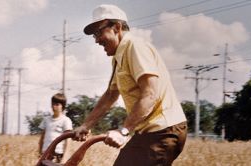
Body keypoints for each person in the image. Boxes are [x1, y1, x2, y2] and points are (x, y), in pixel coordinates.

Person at [73, 4, 188, 166]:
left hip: (163, 130)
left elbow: (150, 94)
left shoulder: (135, 47)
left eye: (99, 32)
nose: (97, 40)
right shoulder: (119, 56)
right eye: (94, 36)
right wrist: (86, 125)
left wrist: (124, 131)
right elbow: (110, 95)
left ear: (117, 27)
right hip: (148, 131)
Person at [38, 93, 73, 163]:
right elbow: (42, 138)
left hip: (58, 154)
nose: (54, 106)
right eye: (53, 104)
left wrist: (65, 157)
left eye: (57, 104)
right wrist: (40, 152)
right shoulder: (46, 120)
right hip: (45, 153)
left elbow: (68, 141)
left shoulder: (66, 120)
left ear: (62, 106)